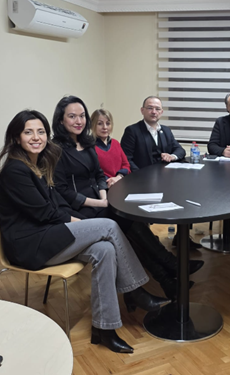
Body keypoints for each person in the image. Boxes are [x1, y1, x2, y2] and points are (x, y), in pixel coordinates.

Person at [0, 110, 169, 353]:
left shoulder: (39, 164)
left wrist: (79, 223)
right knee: (109, 225)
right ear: (16, 138)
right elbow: (45, 213)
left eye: (41, 132)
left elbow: (56, 204)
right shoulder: (16, 170)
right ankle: (135, 290)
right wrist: (80, 223)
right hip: (30, 245)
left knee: (105, 249)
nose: (36, 137)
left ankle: (104, 329)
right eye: (28, 132)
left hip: (49, 235)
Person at [53, 96, 203, 299]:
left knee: (129, 223)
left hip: (100, 200)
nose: (78, 121)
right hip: (79, 209)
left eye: (81, 116)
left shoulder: (87, 143)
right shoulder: (56, 150)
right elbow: (63, 191)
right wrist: (101, 202)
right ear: (61, 120)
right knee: (127, 224)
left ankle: (166, 276)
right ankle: (168, 270)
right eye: (72, 116)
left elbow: (98, 175)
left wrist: (104, 197)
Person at [121, 96, 185, 171]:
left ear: (161, 112)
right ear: (142, 110)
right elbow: (126, 158)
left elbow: (180, 150)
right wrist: (138, 174)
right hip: (142, 175)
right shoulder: (132, 131)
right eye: (150, 108)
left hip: (165, 174)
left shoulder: (166, 130)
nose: (154, 112)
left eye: (157, 109)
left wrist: (172, 156)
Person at [90, 108, 130, 188]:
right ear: (92, 125)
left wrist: (118, 177)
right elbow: (92, 172)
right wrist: (109, 181)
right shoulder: (89, 146)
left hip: (120, 183)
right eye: (100, 124)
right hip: (102, 187)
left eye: (108, 123)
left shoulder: (116, 143)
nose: (105, 127)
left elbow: (126, 165)